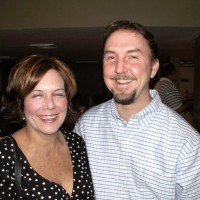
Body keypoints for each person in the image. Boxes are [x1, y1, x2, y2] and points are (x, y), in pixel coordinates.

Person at [74, 20, 200, 199]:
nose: (119, 68)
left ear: (153, 68)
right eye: (111, 57)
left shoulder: (186, 142)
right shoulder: (85, 126)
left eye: (133, 57)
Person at [0, 55, 94, 199]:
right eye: (37, 95)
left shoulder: (77, 144)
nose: (50, 105)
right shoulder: (5, 155)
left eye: (58, 94)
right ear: (21, 104)